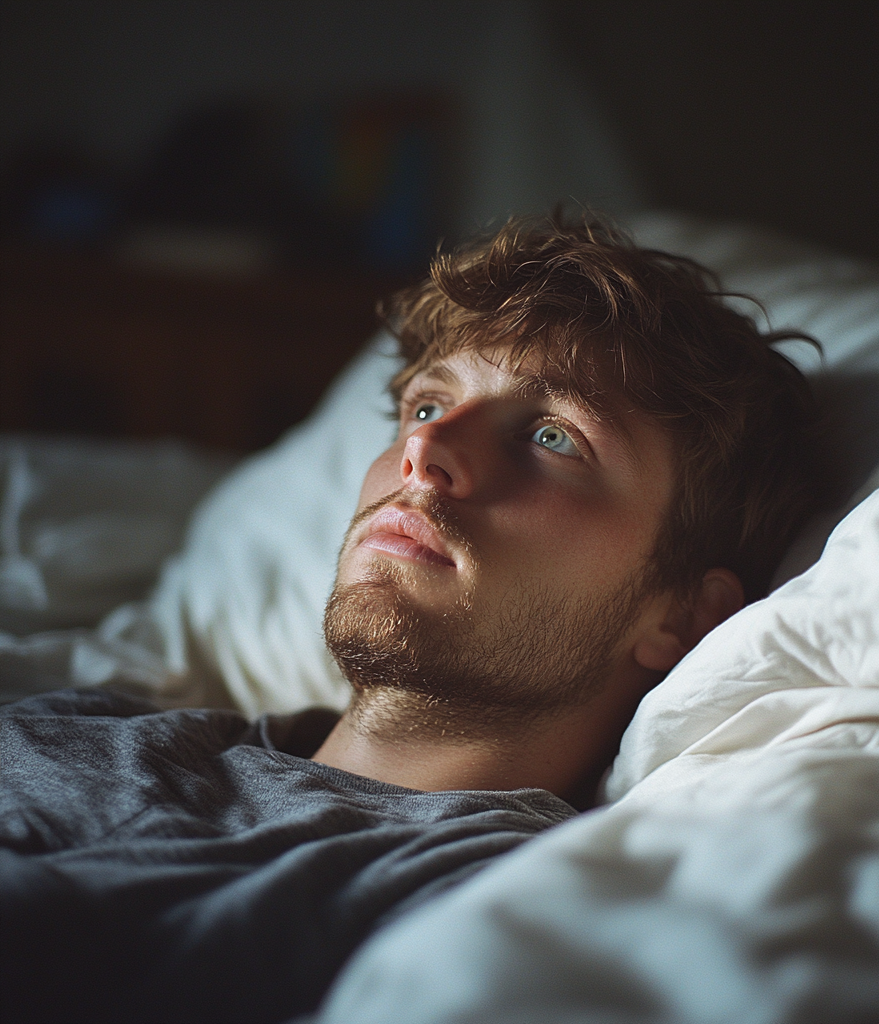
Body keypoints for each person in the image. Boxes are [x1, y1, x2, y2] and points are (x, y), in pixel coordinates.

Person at [0, 212, 828, 1024]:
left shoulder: (510, 909)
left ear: (682, 615)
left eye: (552, 436)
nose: (424, 454)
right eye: (427, 407)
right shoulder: (78, 725)